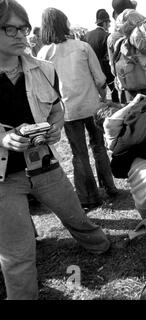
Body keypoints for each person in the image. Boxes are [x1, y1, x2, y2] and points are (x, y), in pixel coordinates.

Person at [0, 0, 110, 299]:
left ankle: (103, 246)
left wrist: (54, 127)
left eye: (24, 27)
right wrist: (3, 139)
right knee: (17, 255)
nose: (22, 34)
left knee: (77, 217)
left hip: (43, 165)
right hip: (4, 179)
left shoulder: (45, 69)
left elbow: (56, 108)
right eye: (12, 28)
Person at [38, 7, 118, 210]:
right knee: (99, 147)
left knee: (79, 153)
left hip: (67, 111)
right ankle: (109, 186)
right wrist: (102, 95)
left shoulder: (43, 54)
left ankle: (88, 196)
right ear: (64, 23)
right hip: (92, 106)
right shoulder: (82, 47)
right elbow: (100, 78)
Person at [84, 9, 120, 104]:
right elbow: (111, 57)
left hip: (90, 72)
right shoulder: (107, 36)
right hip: (107, 73)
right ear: (104, 23)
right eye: (108, 23)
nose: (109, 25)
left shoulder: (86, 36)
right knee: (115, 93)